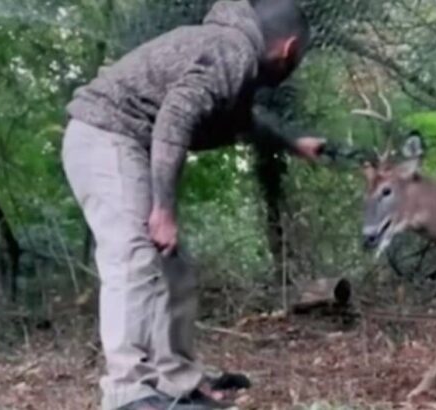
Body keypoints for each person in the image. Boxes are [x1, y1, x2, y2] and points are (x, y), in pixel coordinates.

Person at [61, 0, 324, 409]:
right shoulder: (231, 51)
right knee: (134, 257)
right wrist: (163, 210)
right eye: (297, 60)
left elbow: (245, 121)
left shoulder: (236, 57)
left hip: (127, 142)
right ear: (288, 49)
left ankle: (176, 381)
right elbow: (176, 116)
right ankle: (128, 391)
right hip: (105, 136)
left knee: (174, 268)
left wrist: (293, 144)